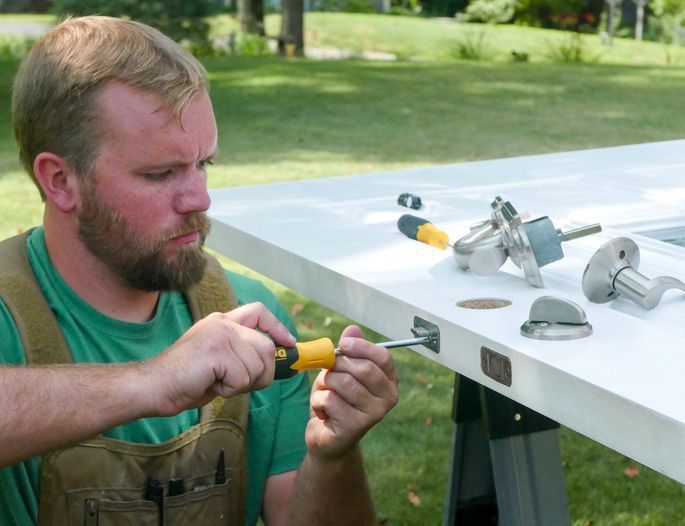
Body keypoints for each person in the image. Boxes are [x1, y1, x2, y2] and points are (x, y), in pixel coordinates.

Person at [0, 15, 398, 526]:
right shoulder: (10, 314)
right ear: (60, 181)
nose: (199, 198)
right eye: (161, 173)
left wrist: (333, 453)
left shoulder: (249, 319)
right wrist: (149, 382)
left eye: (203, 164)